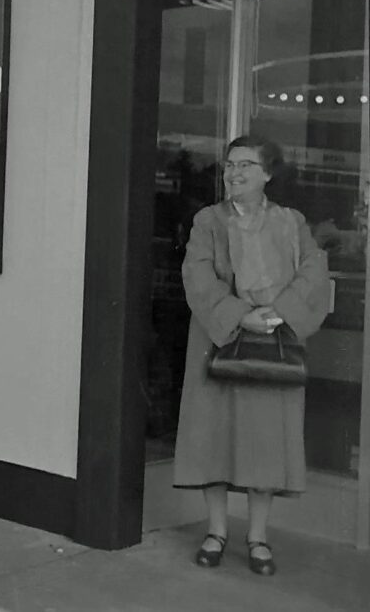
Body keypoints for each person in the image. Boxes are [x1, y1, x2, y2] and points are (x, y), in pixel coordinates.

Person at [173, 134, 330, 576]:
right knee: (213, 436)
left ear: (267, 173)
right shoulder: (208, 220)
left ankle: (258, 536)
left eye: (245, 165)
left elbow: (314, 271)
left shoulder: (292, 221)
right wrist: (240, 315)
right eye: (229, 165)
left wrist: (279, 314)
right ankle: (216, 531)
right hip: (218, 337)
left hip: (273, 341)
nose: (234, 173)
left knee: (266, 442)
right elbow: (197, 274)